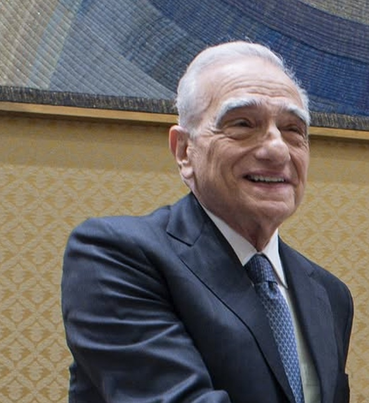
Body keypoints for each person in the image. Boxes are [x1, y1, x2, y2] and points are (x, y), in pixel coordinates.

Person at [61, 41, 353, 403]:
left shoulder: (329, 294)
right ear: (185, 151)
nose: (278, 149)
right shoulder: (115, 255)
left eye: (293, 129)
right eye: (243, 124)